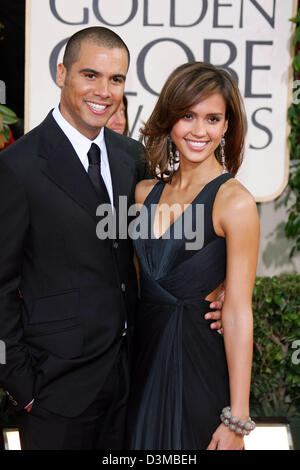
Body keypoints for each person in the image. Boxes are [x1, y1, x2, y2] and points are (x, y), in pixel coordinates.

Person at [0, 26, 148, 450]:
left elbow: (147, 250)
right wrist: (20, 385)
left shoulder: (130, 158)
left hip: (127, 381)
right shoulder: (17, 167)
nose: (104, 91)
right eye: (91, 75)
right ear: (62, 73)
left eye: (116, 79)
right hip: (55, 394)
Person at [126, 62, 259, 450]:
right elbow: (137, 283)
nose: (200, 131)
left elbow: (237, 312)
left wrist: (237, 419)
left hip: (199, 368)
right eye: (188, 115)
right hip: (141, 366)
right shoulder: (143, 194)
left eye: (213, 118)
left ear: (227, 127)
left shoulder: (234, 202)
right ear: (169, 119)